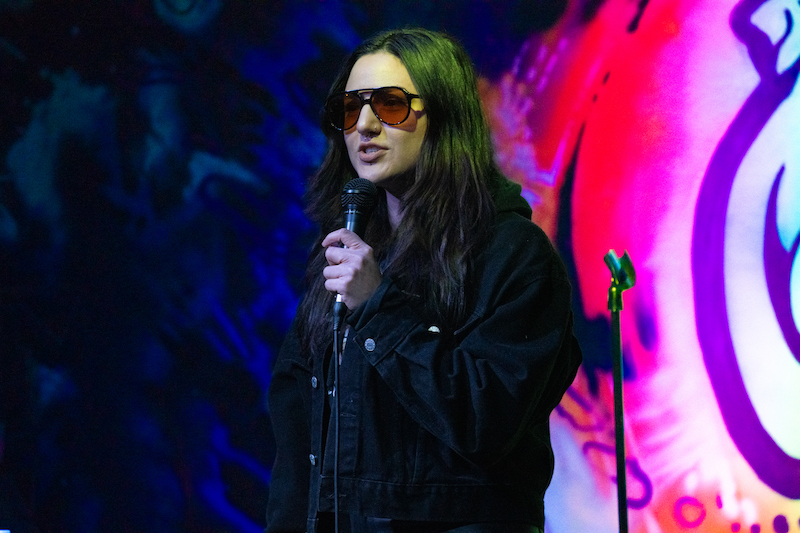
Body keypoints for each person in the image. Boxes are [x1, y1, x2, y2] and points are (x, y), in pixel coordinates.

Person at [265, 28, 582, 533]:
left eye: (390, 105)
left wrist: (379, 307)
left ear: (444, 116)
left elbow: (487, 420)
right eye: (350, 108)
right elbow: (298, 433)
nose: (364, 125)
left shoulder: (513, 254)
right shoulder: (347, 253)